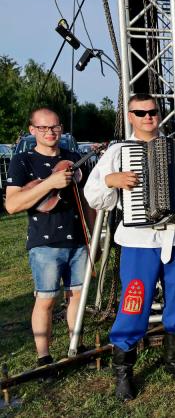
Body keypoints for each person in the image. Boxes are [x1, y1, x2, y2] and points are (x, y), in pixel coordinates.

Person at [84, 94, 175, 400]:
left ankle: (174, 360)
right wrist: (111, 180)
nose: (148, 116)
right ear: (130, 116)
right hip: (138, 240)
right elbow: (93, 193)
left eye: (153, 111)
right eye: (140, 112)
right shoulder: (118, 152)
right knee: (134, 303)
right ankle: (124, 371)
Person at [4, 108, 88, 372]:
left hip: (78, 239)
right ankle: (44, 358)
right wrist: (50, 183)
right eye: (43, 128)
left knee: (77, 296)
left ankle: (76, 347)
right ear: (33, 130)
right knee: (46, 299)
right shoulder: (22, 160)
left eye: (55, 127)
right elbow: (12, 204)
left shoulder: (74, 157)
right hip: (45, 243)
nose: (50, 132)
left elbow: (87, 200)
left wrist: (93, 235)